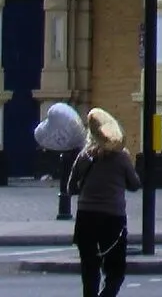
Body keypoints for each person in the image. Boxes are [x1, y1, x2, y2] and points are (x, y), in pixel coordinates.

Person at [66, 107, 140, 297]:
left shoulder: (84, 156)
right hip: (112, 218)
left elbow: (70, 188)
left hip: (86, 217)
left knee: (89, 269)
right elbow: (134, 185)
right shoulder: (122, 157)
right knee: (116, 270)